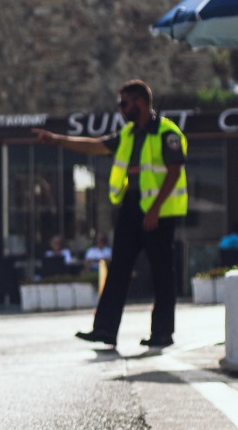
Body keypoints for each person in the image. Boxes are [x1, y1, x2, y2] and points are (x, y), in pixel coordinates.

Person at [33, 80, 186, 348]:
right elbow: (95, 145)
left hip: (159, 211)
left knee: (162, 271)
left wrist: (155, 209)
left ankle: (162, 333)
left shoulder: (166, 132)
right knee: (118, 268)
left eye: (124, 103)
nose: (121, 109)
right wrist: (58, 140)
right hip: (131, 206)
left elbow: (173, 171)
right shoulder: (127, 135)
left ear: (139, 102)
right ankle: (105, 329)